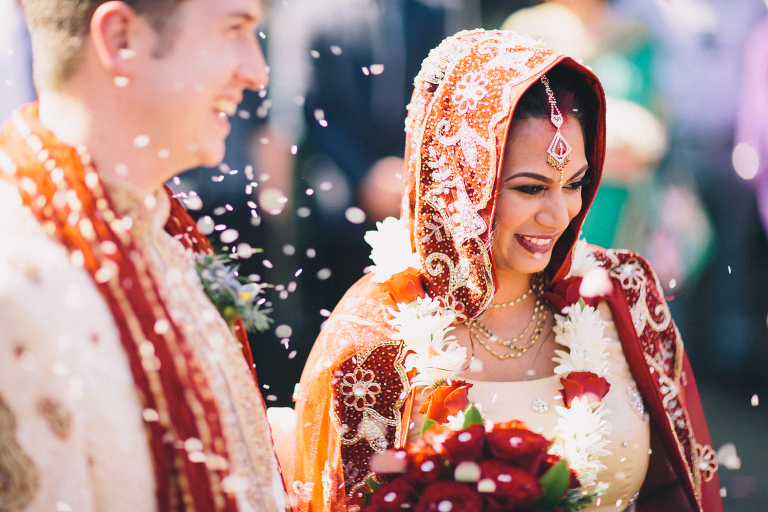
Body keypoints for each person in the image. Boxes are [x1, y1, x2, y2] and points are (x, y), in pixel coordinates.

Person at [288, 30, 722, 512]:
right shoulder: (375, 333)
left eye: (575, 183)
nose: (560, 215)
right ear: (461, 185)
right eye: (531, 189)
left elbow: (674, 490)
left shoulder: (621, 291)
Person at [0, 0, 288, 510]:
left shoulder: (163, 232)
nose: (257, 72)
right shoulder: (17, 280)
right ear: (121, 40)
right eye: (234, 29)